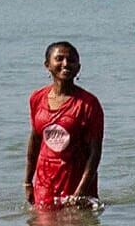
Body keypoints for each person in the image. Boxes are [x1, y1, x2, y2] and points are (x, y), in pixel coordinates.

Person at [25, 42, 105, 211]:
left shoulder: (88, 104)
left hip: (76, 182)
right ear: (47, 65)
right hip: (45, 183)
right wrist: (27, 182)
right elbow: (35, 139)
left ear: (78, 68)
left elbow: (95, 153)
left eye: (71, 60)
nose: (66, 64)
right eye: (59, 59)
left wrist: (80, 193)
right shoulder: (37, 98)